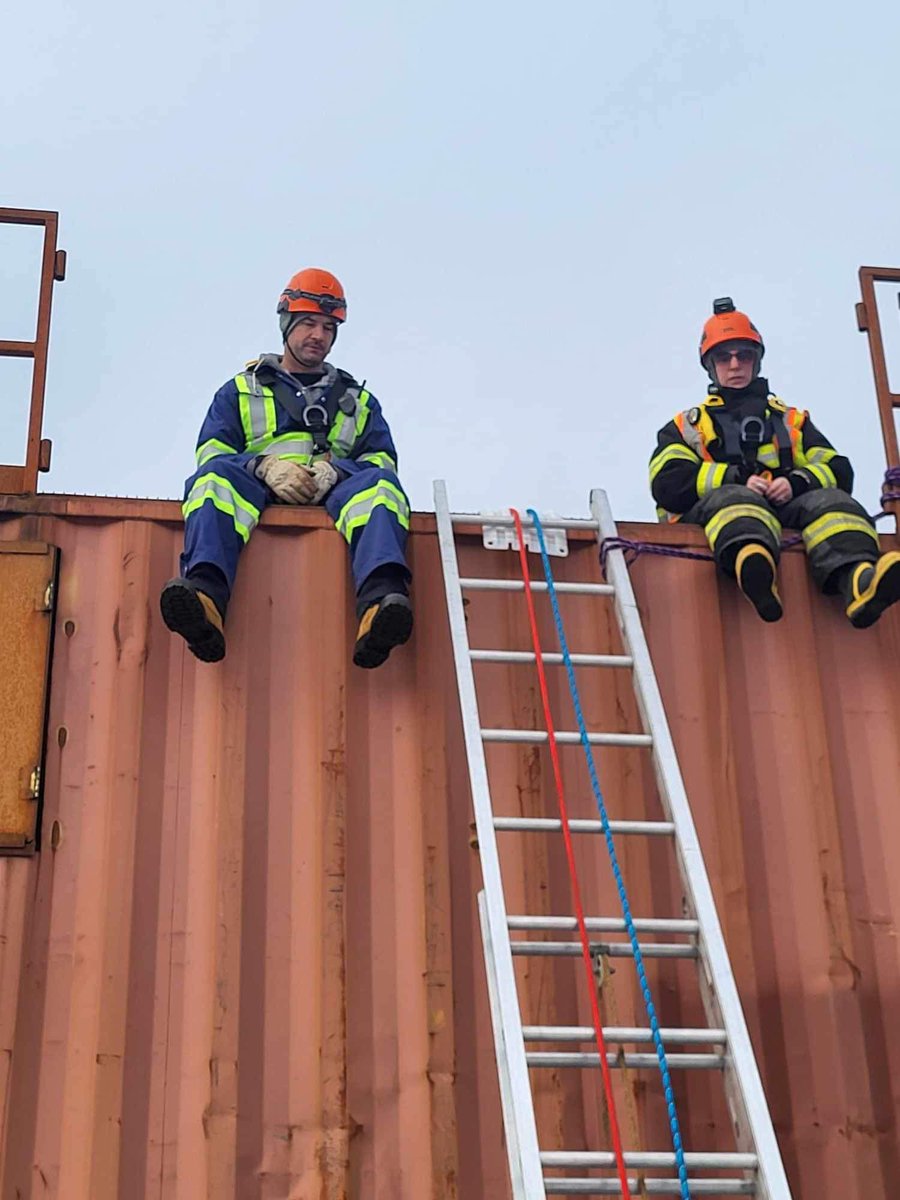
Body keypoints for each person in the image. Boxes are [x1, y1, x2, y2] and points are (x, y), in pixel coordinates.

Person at [160, 268, 413, 667]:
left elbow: (381, 461)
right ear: (286, 323)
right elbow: (211, 453)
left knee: (381, 488)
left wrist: (338, 473)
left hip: (335, 491)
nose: (319, 335)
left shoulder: (359, 401)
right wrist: (262, 466)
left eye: (329, 328)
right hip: (257, 486)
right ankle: (204, 601)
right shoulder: (241, 390)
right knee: (211, 482)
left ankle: (380, 610)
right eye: (309, 323)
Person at [649, 298, 900, 627]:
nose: (735, 365)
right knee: (736, 499)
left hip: (787, 510)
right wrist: (734, 478)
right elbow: (668, 482)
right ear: (711, 366)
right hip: (714, 517)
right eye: (724, 357)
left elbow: (838, 470)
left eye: (744, 355)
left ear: (757, 361)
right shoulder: (687, 426)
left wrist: (797, 483)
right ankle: (754, 570)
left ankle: (859, 583)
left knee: (833, 502)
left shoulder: (791, 420)